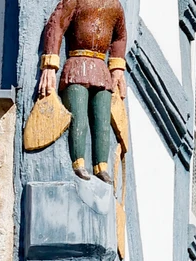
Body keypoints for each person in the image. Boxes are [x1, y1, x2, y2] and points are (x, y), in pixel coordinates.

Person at [38, 0, 128, 183]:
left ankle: (101, 166)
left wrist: (117, 67)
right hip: (77, 64)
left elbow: (120, 37)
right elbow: (56, 25)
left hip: (101, 69)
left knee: (102, 120)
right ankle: (78, 161)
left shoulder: (115, 6)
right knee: (78, 117)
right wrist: (50, 65)